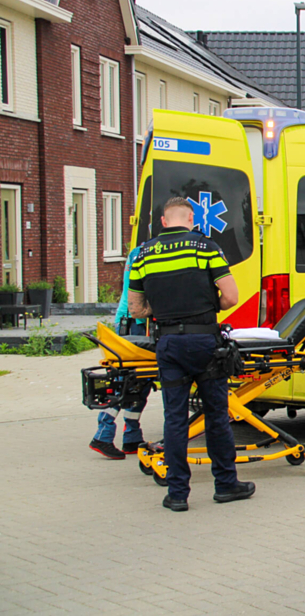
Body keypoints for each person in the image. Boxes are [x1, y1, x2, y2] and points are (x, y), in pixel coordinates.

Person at [128, 196, 254, 512]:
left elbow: (137, 308)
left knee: (174, 419)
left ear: (163, 221)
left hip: (168, 344)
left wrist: (167, 312)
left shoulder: (143, 254)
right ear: (191, 219)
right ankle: (226, 485)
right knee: (216, 414)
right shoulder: (205, 247)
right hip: (204, 341)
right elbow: (231, 296)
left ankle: (177, 494)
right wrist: (207, 306)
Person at [89, 244, 148, 460]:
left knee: (141, 381)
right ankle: (103, 435)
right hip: (134, 323)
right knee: (126, 382)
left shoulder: (141, 250)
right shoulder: (145, 253)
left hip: (134, 322)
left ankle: (132, 436)